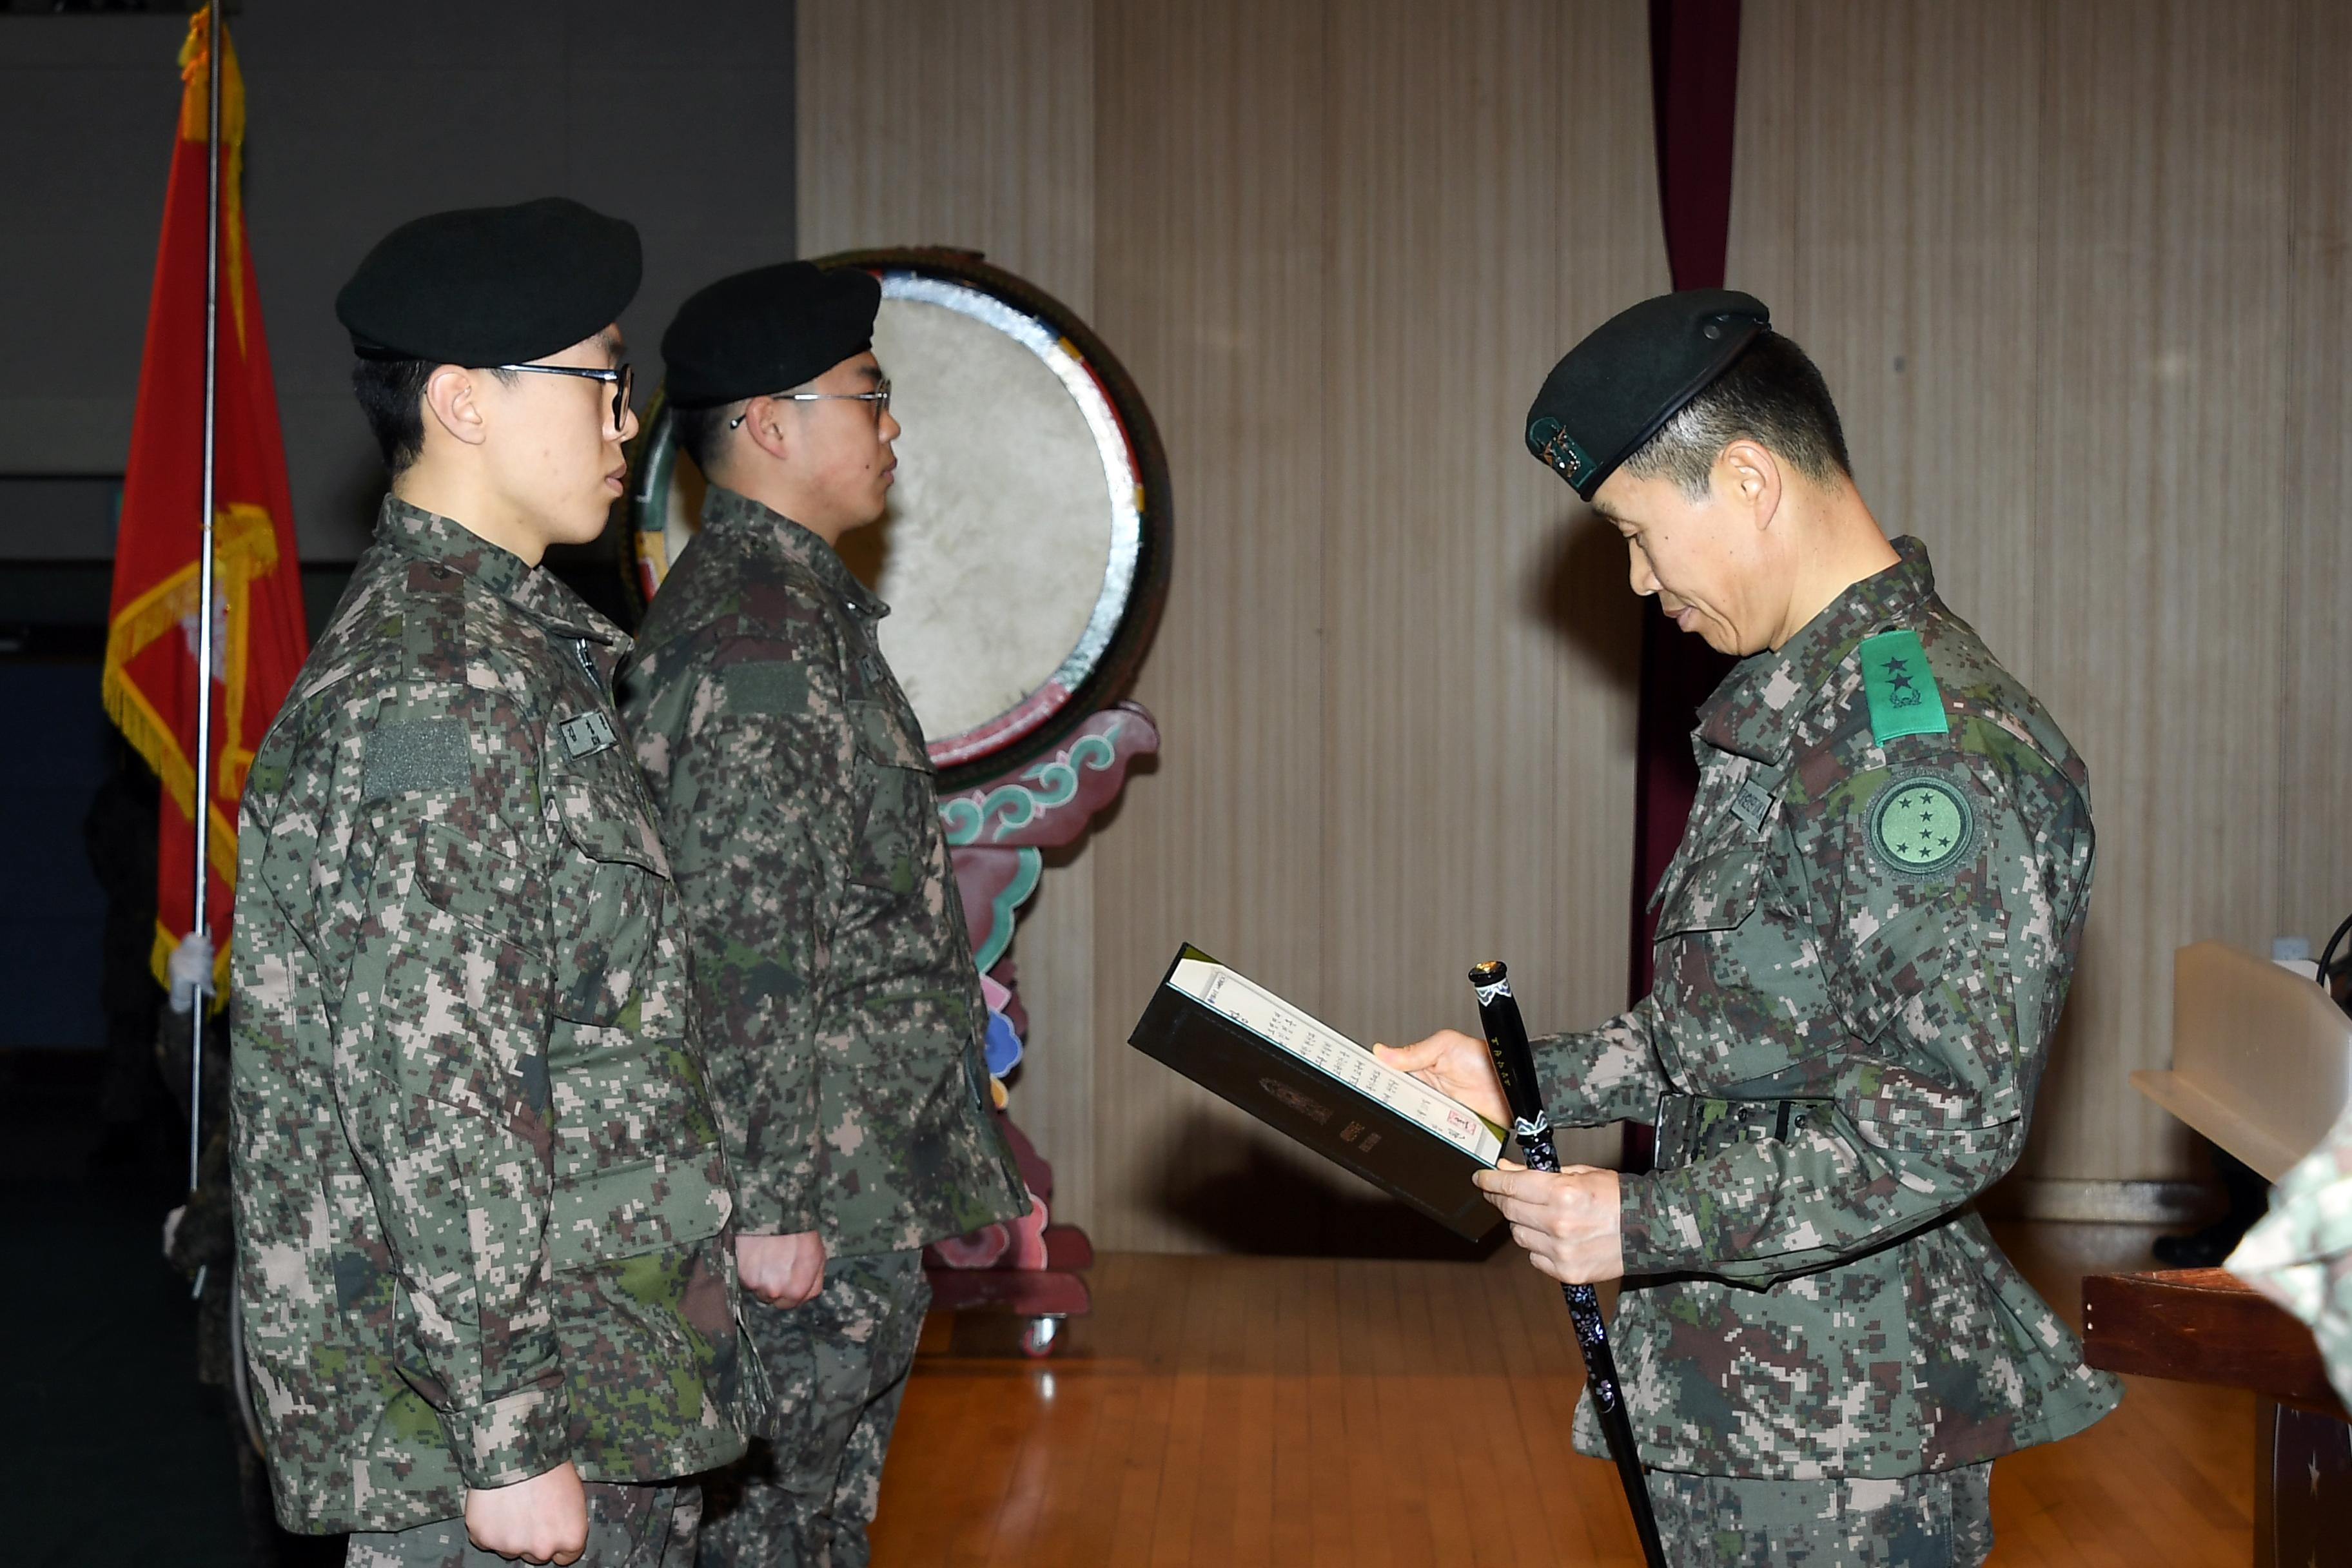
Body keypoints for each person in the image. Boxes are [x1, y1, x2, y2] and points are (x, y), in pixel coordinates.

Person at [1379, 290, 2121, 1565]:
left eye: (1638, 533)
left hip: (1843, 1442)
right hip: (1748, 1402)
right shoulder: (1808, 711)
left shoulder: (1921, 745)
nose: (1638, 579)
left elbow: (1949, 1115)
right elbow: (1733, 1034)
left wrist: (1640, 1221)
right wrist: (1513, 1078)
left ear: (1747, 476)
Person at [228, 198, 760, 1568]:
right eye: (601, 381)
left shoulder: (509, 656)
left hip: (599, 1374)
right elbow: (434, 1084)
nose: (626, 423)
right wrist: (510, 1431)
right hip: (503, 1434)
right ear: (463, 400)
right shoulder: (434, 688)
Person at [620, 260, 1030, 1567]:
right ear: (771, 426)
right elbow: (747, 939)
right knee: (775, 1527)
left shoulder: (790, 608)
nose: (891, 426)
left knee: (807, 1522)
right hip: (811, 1201)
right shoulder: (760, 636)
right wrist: (774, 1199)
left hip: (842, 1178)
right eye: (870, 396)